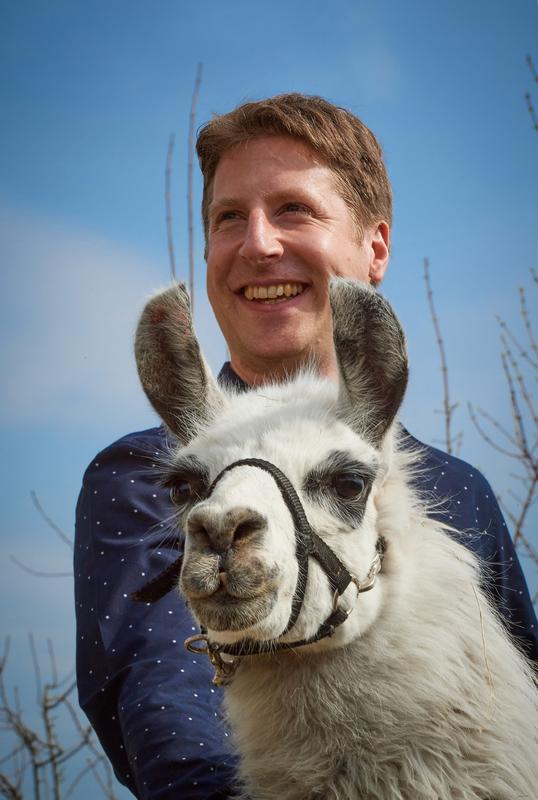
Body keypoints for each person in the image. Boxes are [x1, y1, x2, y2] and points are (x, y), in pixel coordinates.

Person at [74, 94, 538, 800]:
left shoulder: (456, 487)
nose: (258, 244)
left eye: (293, 210)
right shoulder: (147, 475)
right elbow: (165, 703)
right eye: (229, 217)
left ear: (374, 248)